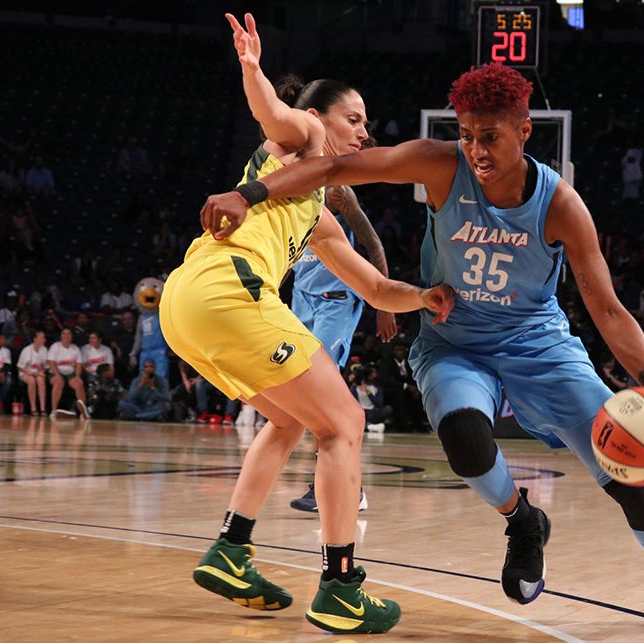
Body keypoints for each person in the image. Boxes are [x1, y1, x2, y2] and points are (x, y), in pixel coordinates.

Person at [202, 60, 644, 634]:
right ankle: (523, 521)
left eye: (491, 137)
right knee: (465, 440)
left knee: (630, 475)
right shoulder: (440, 165)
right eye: (468, 135)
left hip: (537, 343)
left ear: (524, 131)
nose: (476, 149)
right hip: (453, 343)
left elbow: (605, 309)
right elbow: (337, 166)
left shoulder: (561, 205)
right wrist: (248, 193)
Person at [165, 13, 452, 635]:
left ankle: (231, 550)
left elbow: (374, 287)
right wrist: (251, 69)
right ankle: (343, 588)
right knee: (345, 422)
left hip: (187, 301)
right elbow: (273, 112)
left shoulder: (315, 209)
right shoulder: (299, 140)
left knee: (291, 417)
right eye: (354, 118)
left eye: (367, 124)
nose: (363, 131)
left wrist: (424, 296)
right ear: (320, 117)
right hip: (227, 292)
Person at [288, 181, 396, 512]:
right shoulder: (288, 190)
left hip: (335, 302)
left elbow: (374, 246)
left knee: (322, 389)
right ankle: (341, 485)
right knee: (302, 391)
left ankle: (348, 488)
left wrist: (384, 305)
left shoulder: (337, 194)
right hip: (301, 299)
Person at [17, 330, 48, 416]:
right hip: (25, 372)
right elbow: (20, 366)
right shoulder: (26, 350)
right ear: (35, 339)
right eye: (42, 338)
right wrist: (30, 372)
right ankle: (33, 408)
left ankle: (42, 408)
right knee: (31, 381)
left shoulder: (44, 350)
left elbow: (45, 367)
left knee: (41, 380)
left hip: (38, 373)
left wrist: (41, 372)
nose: (44, 340)